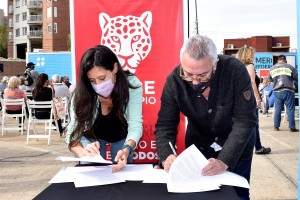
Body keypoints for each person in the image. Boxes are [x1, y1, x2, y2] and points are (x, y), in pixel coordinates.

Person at [154, 35, 257, 200]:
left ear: (215, 63)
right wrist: (167, 155)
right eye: (188, 74)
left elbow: (245, 121)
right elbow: (165, 125)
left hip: (236, 145)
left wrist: (225, 160)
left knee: (238, 194)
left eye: (203, 75)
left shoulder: (235, 71)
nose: (194, 82)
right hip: (199, 147)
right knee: (201, 195)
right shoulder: (174, 81)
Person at [65, 45, 143, 172]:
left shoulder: (131, 85)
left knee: (123, 170)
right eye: (92, 80)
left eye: (102, 78)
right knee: (89, 170)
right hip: (91, 136)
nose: (98, 85)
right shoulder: (82, 91)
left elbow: (135, 125)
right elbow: (72, 132)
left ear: (115, 68)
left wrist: (127, 149)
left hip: (121, 136)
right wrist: (82, 151)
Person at [235, 46, 271, 155]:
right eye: (252, 54)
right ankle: (258, 147)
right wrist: (257, 98)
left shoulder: (237, 67)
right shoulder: (249, 65)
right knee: (254, 123)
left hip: (239, 99)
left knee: (242, 124)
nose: (254, 56)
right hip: (249, 98)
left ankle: (244, 148)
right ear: (248, 55)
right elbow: (251, 82)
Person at [268, 55, 298, 132]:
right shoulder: (290, 67)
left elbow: (269, 80)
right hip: (288, 90)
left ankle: (276, 126)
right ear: (285, 60)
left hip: (277, 91)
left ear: (278, 60)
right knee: (290, 109)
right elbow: (296, 78)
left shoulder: (272, 68)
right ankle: (292, 127)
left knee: (278, 109)